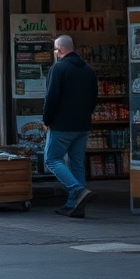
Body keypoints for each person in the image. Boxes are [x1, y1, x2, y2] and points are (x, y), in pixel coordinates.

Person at [43, 34, 98, 218]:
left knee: (52, 159)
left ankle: (77, 190)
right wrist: (85, 115)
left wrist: (46, 120)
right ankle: (75, 206)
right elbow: (93, 97)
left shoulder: (58, 68)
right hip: (82, 125)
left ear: (60, 49)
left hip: (61, 124)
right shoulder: (88, 70)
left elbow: (51, 98)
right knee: (76, 163)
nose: (55, 53)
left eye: (56, 49)